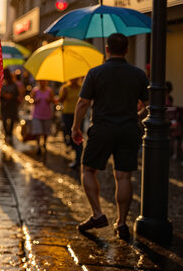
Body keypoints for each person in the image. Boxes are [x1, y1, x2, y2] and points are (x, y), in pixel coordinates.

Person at [72, 34, 149, 240]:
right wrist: (136, 117)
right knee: (123, 176)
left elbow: (83, 103)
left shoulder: (96, 72)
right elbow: (149, 104)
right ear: (126, 50)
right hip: (128, 130)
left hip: (102, 129)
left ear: (107, 49)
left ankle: (97, 214)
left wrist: (75, 127)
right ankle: (122, 223)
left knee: (88, 169)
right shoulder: (138, 74)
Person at [58, 77, 83, 169]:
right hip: (67, 114)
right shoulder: (65, 88)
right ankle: (70, 144)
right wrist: (63, 95)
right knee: (67, 132)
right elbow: (60, 100)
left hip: (78, 115)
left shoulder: (81, 88)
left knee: (77, 136)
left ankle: (78, 159)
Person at [31, 79, 55, 154]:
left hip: (47, 114)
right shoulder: (35, 90)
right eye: (41, 81)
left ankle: (44, 143)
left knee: (46, 131)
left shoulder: (49, 91)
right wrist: (35, 100)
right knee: (38, 131)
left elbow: (53, 100)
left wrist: (50, 100)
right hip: (37, 114)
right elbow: (30, 100)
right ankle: (38, 145)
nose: (42, 83)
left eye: (44, 81)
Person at [0, 68, 20, 144]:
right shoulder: (3, 85)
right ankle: (7, 134)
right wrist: (4, 95)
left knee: (10, 120)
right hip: (5, 105)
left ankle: (9, 135)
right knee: (5, 120)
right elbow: (0, 96)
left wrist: (11, 96)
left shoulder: (13, 85)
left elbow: (17, 94)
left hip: (11, 105)